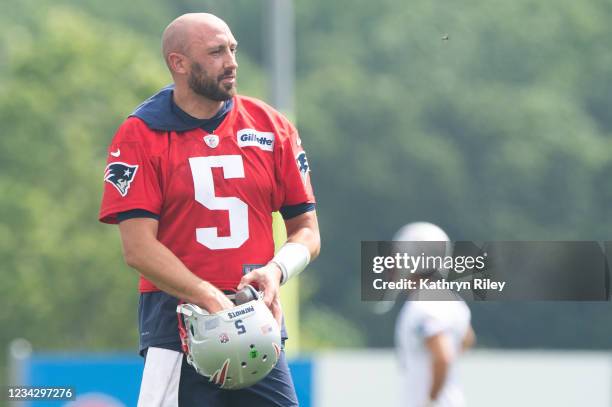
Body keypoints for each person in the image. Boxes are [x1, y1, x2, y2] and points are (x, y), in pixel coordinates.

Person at [98, 13, 320, 407]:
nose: (231, 61)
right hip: (177, 329)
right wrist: (210, 298)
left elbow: (306, 229)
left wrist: (275, 270)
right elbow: (138, 249)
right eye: (216, 52)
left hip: (256, 324)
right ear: (178, 63)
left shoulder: (272, 127)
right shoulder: (142, 133)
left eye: (232, 49)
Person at [392, 222, 474, 407]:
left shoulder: (423, 304)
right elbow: (467, 338)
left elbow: (443, 355)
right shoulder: (449, 298)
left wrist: (431, 399)